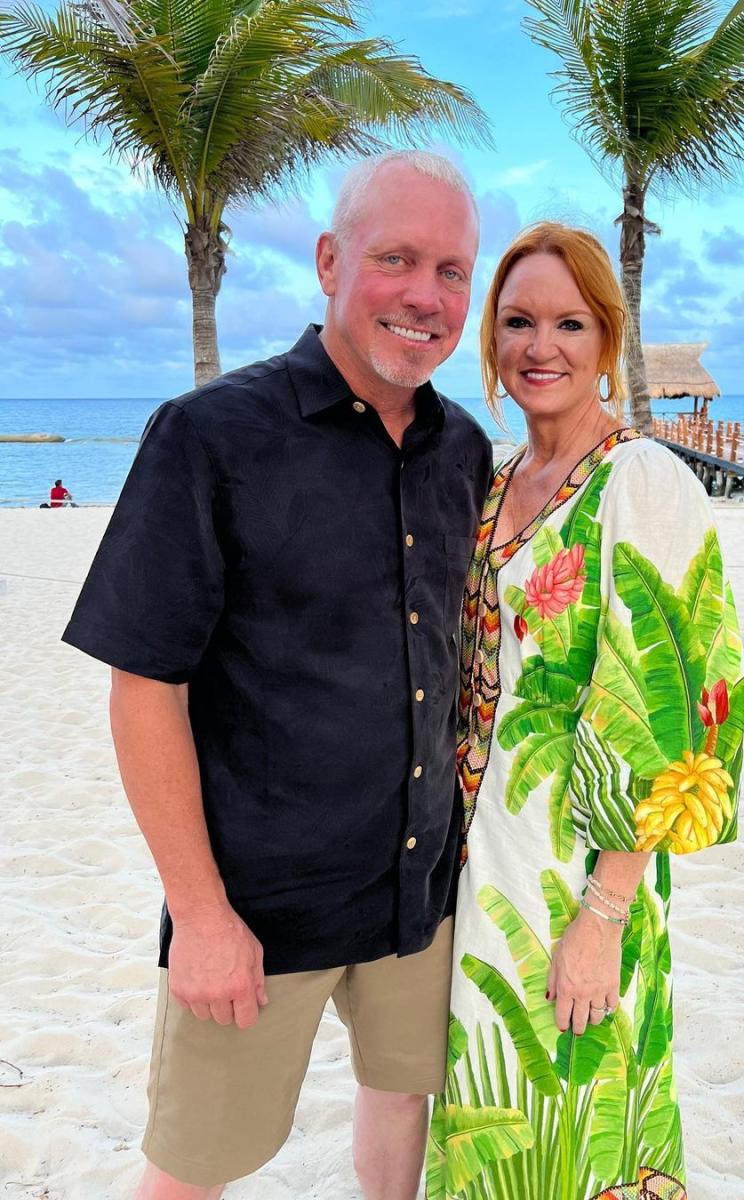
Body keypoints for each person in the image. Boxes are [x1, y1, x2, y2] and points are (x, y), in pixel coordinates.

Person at [61, 150, 492, 1200]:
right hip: (257, 909)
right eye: (397, 259)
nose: (426, 298)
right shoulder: (211, 436)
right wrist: (201, 915)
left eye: (451, 270)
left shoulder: (464, 449)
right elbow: (143, 686)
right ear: (331, 261)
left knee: (402, 1109)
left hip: (417, 895)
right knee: (192, 1169)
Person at [427, 224, 744, 1200]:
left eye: (570, 322)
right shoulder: (490, 486)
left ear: (608, 340)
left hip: (580, 887)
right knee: (495, 1137)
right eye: (519, 321)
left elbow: (676, 721)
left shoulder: (640, 483)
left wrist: (603, 916)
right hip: (482, 875)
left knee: (580, 1134)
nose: (541, 346)